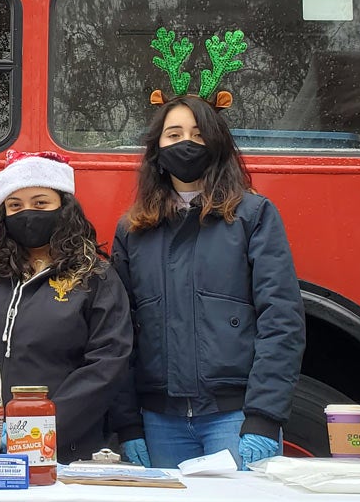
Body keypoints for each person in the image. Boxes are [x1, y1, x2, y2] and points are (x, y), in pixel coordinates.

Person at [111, 94, 305, 470]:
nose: (186, 143)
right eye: (174, 133)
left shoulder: (254, 216)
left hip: (234, 417)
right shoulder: (132, 230)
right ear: (157, 148)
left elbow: (281, 320)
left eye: (198, 134)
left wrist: (264, 418)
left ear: (216, 144)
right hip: (158, 422)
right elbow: (118, 335)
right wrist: (127, 424)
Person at [0, 150, 133, 463]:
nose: (28, 214)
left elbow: (107, 362)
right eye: (15, 205)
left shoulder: (94, 275)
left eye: (40, 203)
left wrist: (42, 427)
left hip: (64, 449)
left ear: (64, 207)